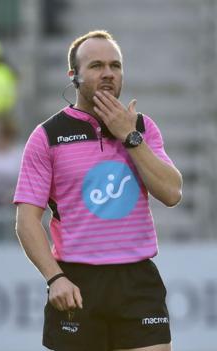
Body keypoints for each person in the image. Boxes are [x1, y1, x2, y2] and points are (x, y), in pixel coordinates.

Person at [13, 30, 182, 351]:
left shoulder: (142, 128)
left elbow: (172, 193)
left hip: (137, 280)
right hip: (77, 279)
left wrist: (129, 136)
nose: (107, 73)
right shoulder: (47, 135)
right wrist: (54, 278)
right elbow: (26, 221)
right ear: (74, 76)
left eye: (115, 66)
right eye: (96, 66)